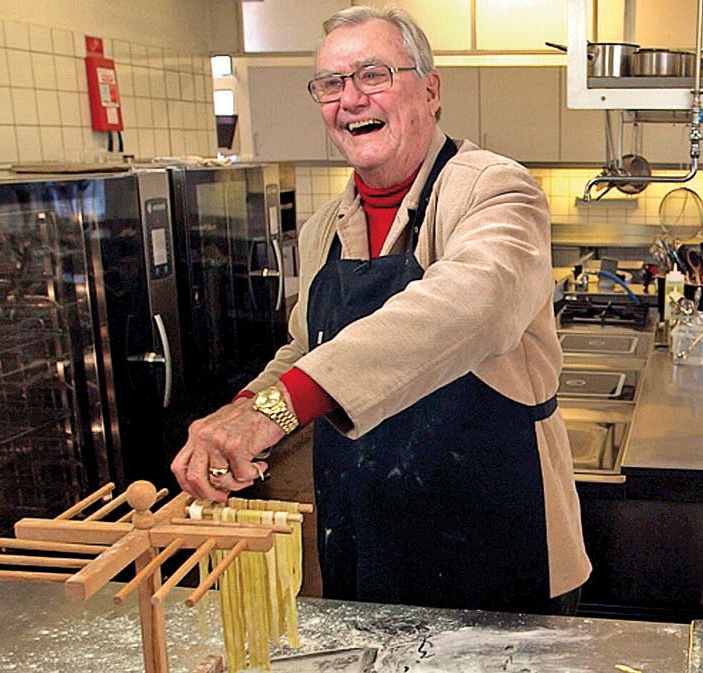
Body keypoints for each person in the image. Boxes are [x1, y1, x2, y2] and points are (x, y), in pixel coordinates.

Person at [170, 6, 590, 615]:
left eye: (373, 75)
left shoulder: (494, 188)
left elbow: (476, 302)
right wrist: (238, 421)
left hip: (495, 540)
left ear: (430, 88)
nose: (350, 99)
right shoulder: (324, 230)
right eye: (331, 84)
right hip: (369, 542)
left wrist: (278, 407)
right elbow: (304, 350)